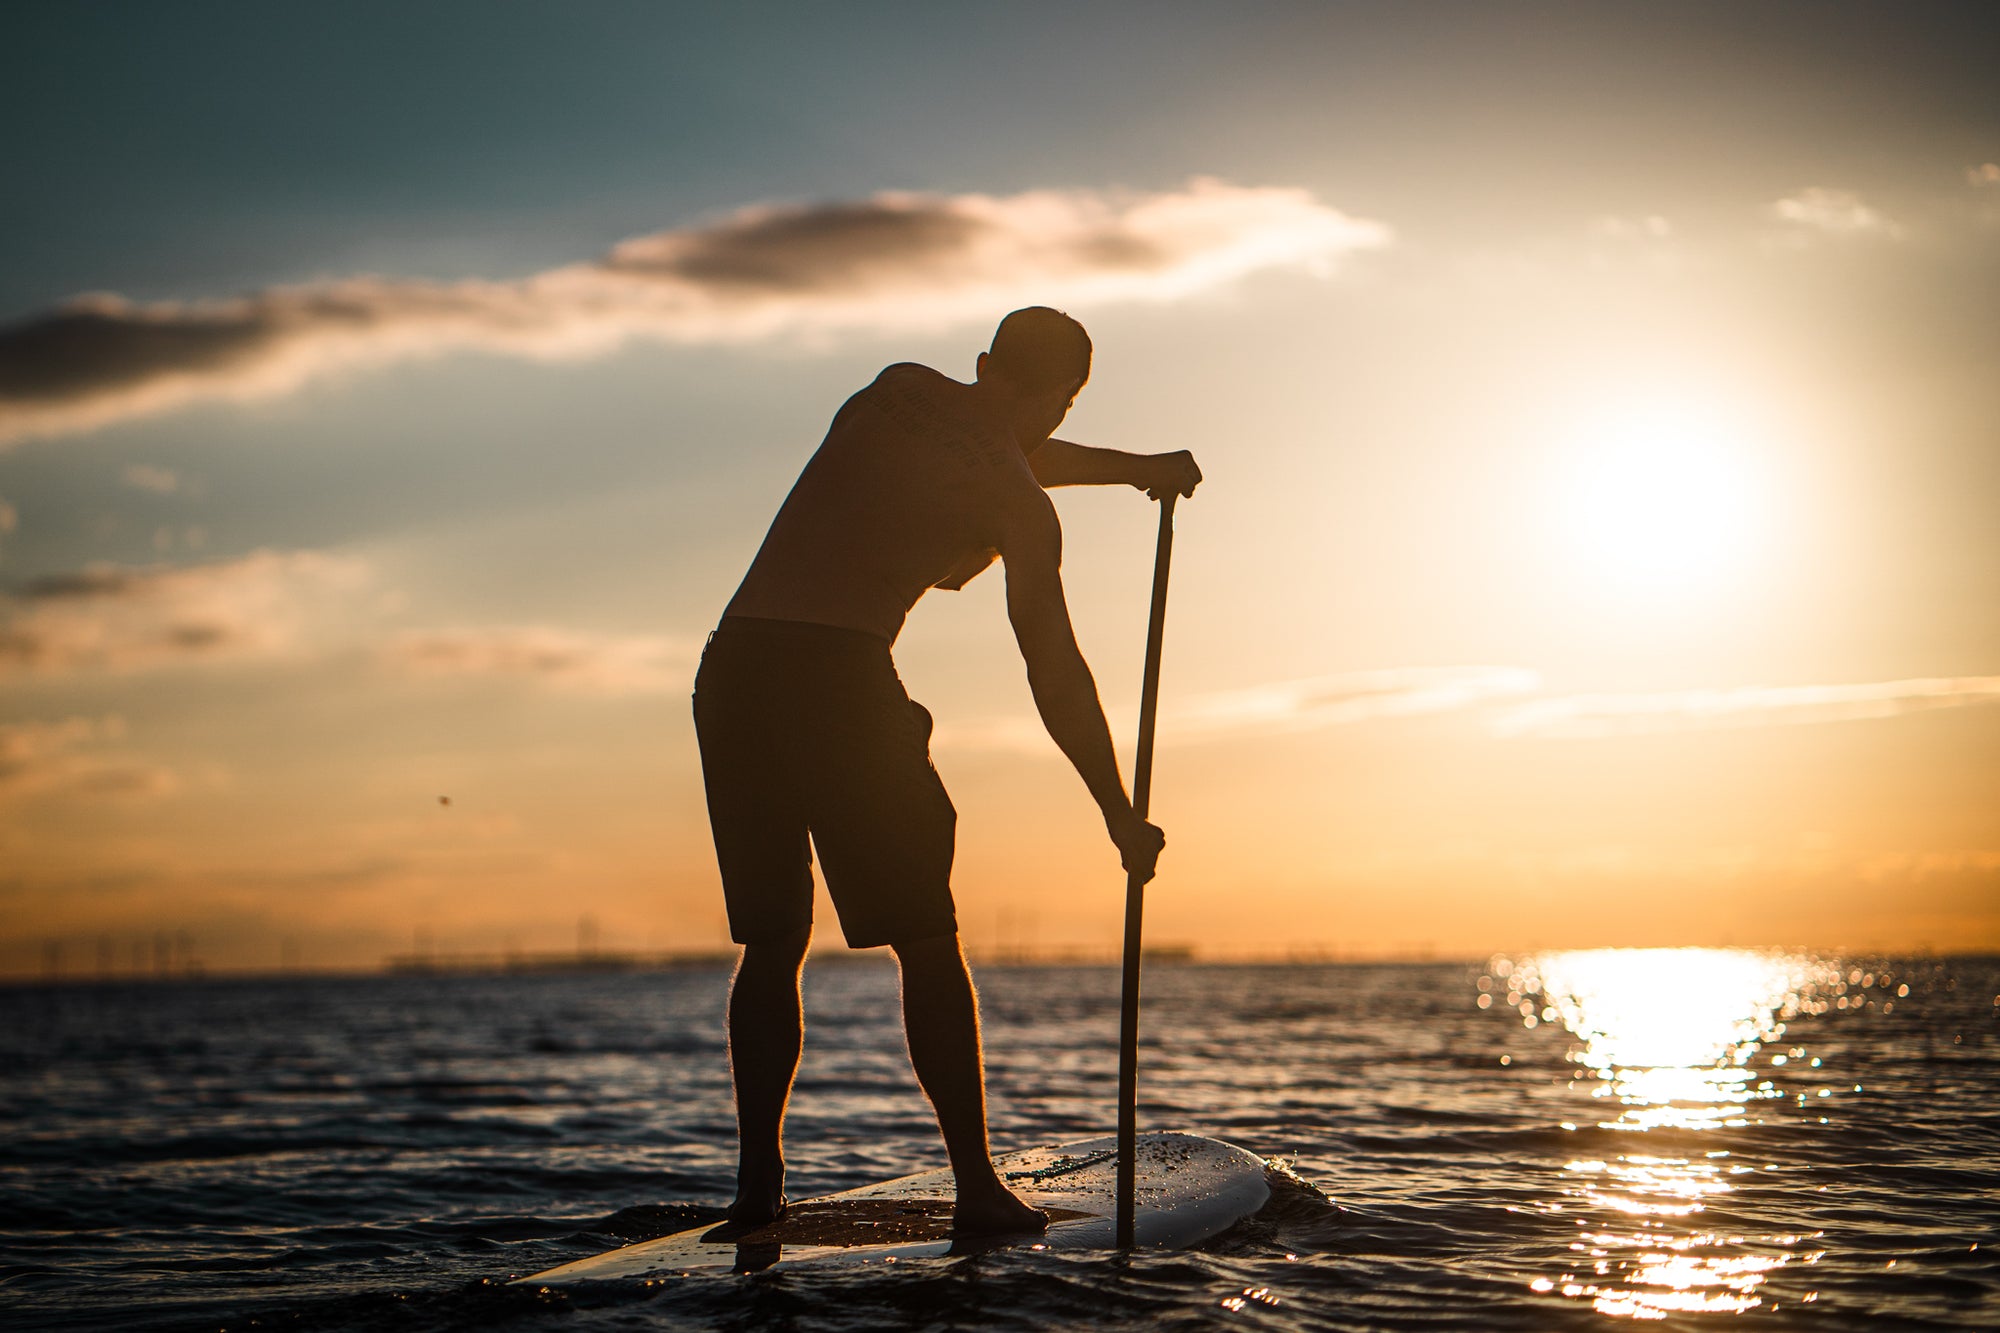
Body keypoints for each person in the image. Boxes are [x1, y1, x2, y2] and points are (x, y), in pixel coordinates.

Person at [692, 306, 1201, 1236]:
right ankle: (977, 1189)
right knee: (926, 935)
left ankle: (756, 1194)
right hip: (840, 680)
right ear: (1062, 397)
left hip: (734, 670)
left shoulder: (897, 389)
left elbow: (993, 445)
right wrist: (1117, 810)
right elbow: (1055, 669)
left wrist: (1133, 469)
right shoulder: (1017, 502)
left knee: (772, 939)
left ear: (984, 363)